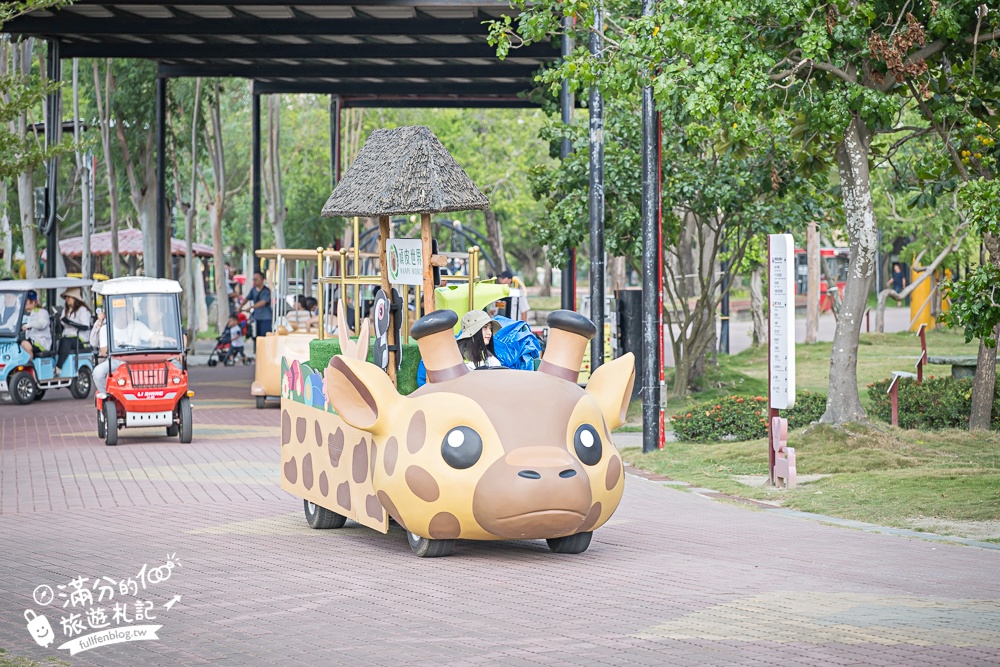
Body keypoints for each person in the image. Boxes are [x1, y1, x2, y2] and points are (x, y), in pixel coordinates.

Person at [89, 305, 155, 394]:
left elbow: (153, 337)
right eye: (126, 311)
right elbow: (104, 352)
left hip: (136, 360)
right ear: (118, 313)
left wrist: (167, 339)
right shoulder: (105, 328)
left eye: (130, 311)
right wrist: (113, 345)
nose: (130, 314)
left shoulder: (137, 325)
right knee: (98, 372)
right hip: (115, 360)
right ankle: (107, 395)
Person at [54, 287, 92, 376]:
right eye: (66, 298)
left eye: (68, 297)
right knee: (57, 341)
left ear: (75, 298)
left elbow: (85, 326)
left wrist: (69, 322)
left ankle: (59, 366)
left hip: (80, 338)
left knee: (66, 342)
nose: (67, 299)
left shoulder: (83, 310)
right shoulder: (66, 310)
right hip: (67, 336)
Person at [243, 272, 272, 348]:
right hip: (256, 317)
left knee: (264, 336)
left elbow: (263, 302)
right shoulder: (253, 290)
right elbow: (247, 298)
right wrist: (240, 307)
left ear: (262, 280)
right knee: (256, 336)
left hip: (266, 317)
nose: (254, 281)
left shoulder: (266, 291)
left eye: (256, 279)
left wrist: (251, 307)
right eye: (254, 280)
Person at [20, 290, 50, 360]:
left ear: (34, 302)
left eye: (26, 300)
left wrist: (29, 325)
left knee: (25, 344)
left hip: (39, 341)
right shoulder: (20, 313)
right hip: (24, 339)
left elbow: (42, 324)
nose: (24, 303)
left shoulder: (42, 312)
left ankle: (30, 366)